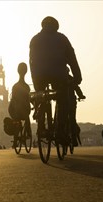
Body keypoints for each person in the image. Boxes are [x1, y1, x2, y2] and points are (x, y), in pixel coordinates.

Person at [29, 16, 82, 145]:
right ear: (56, 26)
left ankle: (41, 123)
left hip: (39, 75)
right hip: (58, 75)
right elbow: (72, 58)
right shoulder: (62, 39)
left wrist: (35, 81)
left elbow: (31, 62)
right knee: (63, 99)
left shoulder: (35, 39)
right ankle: (59, 130)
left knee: (40, 95)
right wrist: (78, 76)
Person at [8, 62, 32, 147]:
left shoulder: (14, 86)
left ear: (18, 71)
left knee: (17, 120)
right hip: (22, 111)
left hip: (13, 110)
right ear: (26, 71)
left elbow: (13, 99)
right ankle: (28, 133)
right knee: (27, 117)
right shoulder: (26, 87)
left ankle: (15, 139)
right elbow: (28, 100)